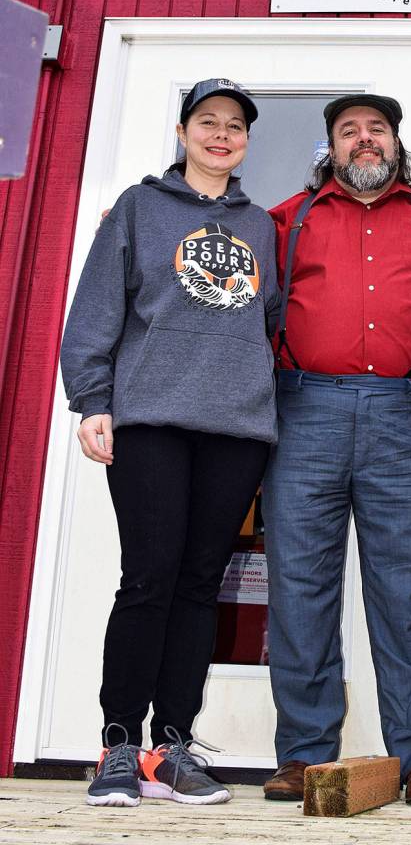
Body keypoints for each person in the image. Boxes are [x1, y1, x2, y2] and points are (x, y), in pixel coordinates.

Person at [60, 79, 280, 807]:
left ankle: (172, 746)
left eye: (235, 126)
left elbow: (270, 321)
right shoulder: (138, 209)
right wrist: (92, 400)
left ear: (247, 141)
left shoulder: (262, 228)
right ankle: (118, 744)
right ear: (184, 133)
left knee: (198, 585)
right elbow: (96, 309)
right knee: (149, 578)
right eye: (208, 123)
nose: (222, 135)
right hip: (150, 419)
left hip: (236, 428)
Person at [261, 94, 411, 806]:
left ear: (395, 143)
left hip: (400, 419)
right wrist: (135, 230)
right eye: (349, 131)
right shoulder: (283, 222)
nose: (364, 141)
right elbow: (210, 266)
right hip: (303, 413)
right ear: (331, 147)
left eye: (376, 130)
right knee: (299, 591)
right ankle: (302, 755)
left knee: (403, 592)